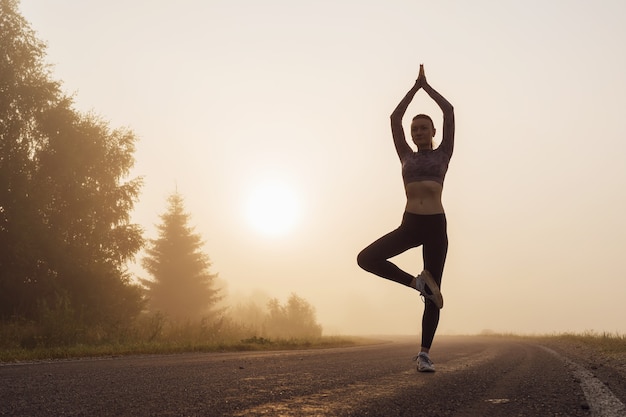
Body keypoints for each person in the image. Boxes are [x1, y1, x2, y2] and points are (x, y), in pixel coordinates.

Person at [357, 64, 454, 373]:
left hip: (435, 226)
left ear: (433, 132)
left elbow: (449, 111)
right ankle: (415, 283)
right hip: (410, 224)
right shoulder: (405, 155)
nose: (417, 132)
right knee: (366, 258)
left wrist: (427, 87)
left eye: (423, 128)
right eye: (415, 129)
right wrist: (413, 89)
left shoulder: (444, 153)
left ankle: (424, 354)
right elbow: (394, 119)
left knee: (435, 295)